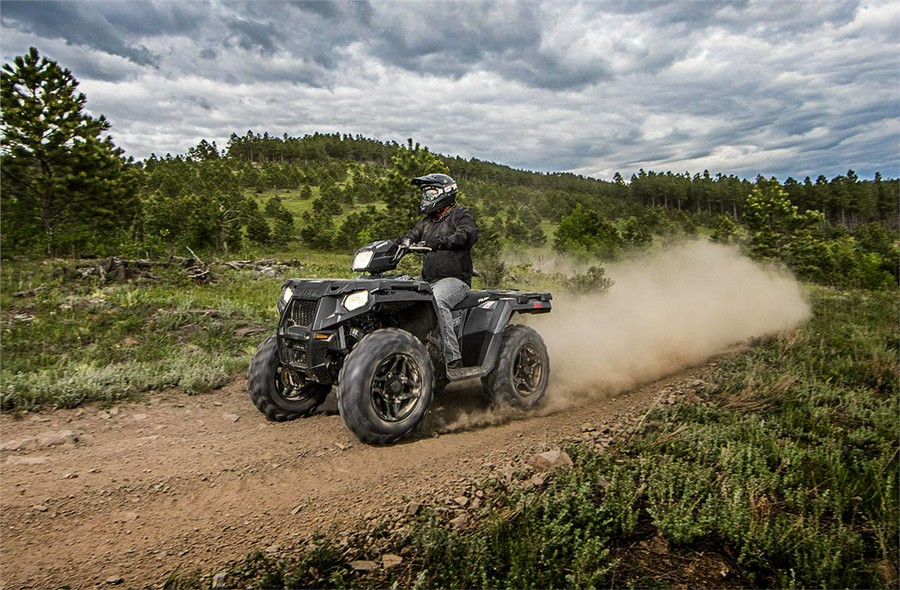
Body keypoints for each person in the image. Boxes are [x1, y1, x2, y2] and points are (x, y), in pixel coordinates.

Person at [399, 173, 478, 370]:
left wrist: (440, 242)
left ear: (446, 192)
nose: (426, 197)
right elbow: (410, 235)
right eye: (425, 193)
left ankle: (452, 357)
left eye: (430, 192)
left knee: (437, 301)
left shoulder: (460, 215)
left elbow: (467, 235)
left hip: (455, 280)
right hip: (429, 279)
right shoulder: (426, 222)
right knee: (397, 292)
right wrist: (400, 243)